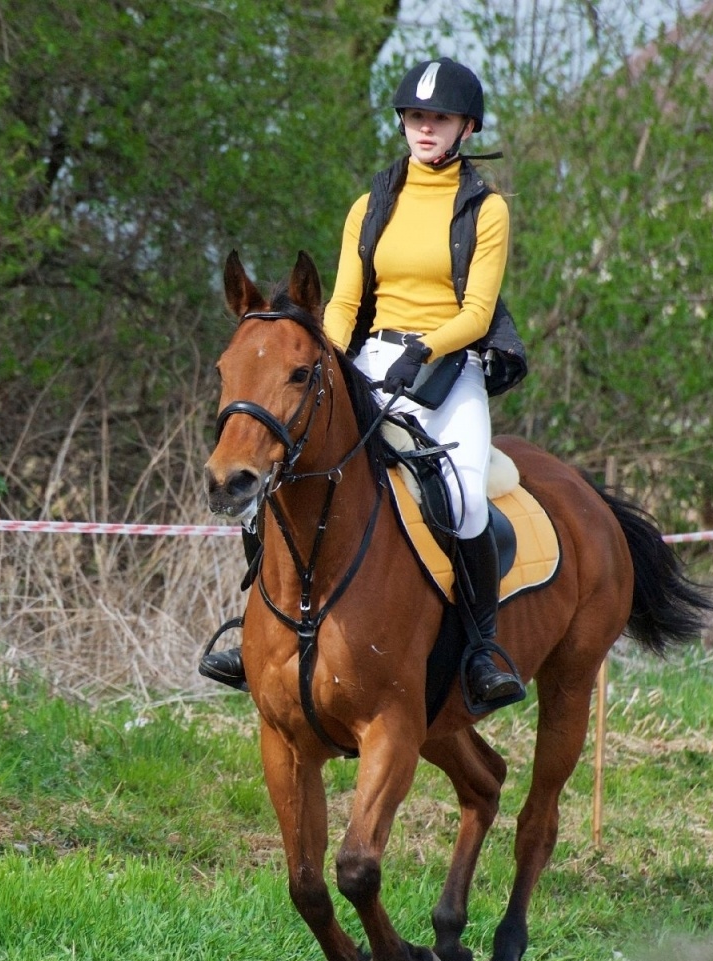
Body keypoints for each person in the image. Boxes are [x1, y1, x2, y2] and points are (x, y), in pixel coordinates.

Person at [200, 57, 526, 709]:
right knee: (286, 467)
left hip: (450, 367)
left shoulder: (484, 210)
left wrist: (427, 349)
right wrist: (337, 356)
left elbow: (477, 311)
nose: (424, 128)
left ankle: (482, 648)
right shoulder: (372, 203)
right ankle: (255, 626)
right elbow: (345, 301)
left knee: (461, 500)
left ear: (466, 127)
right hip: (368, 358)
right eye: (415, 117)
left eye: (438, 118)